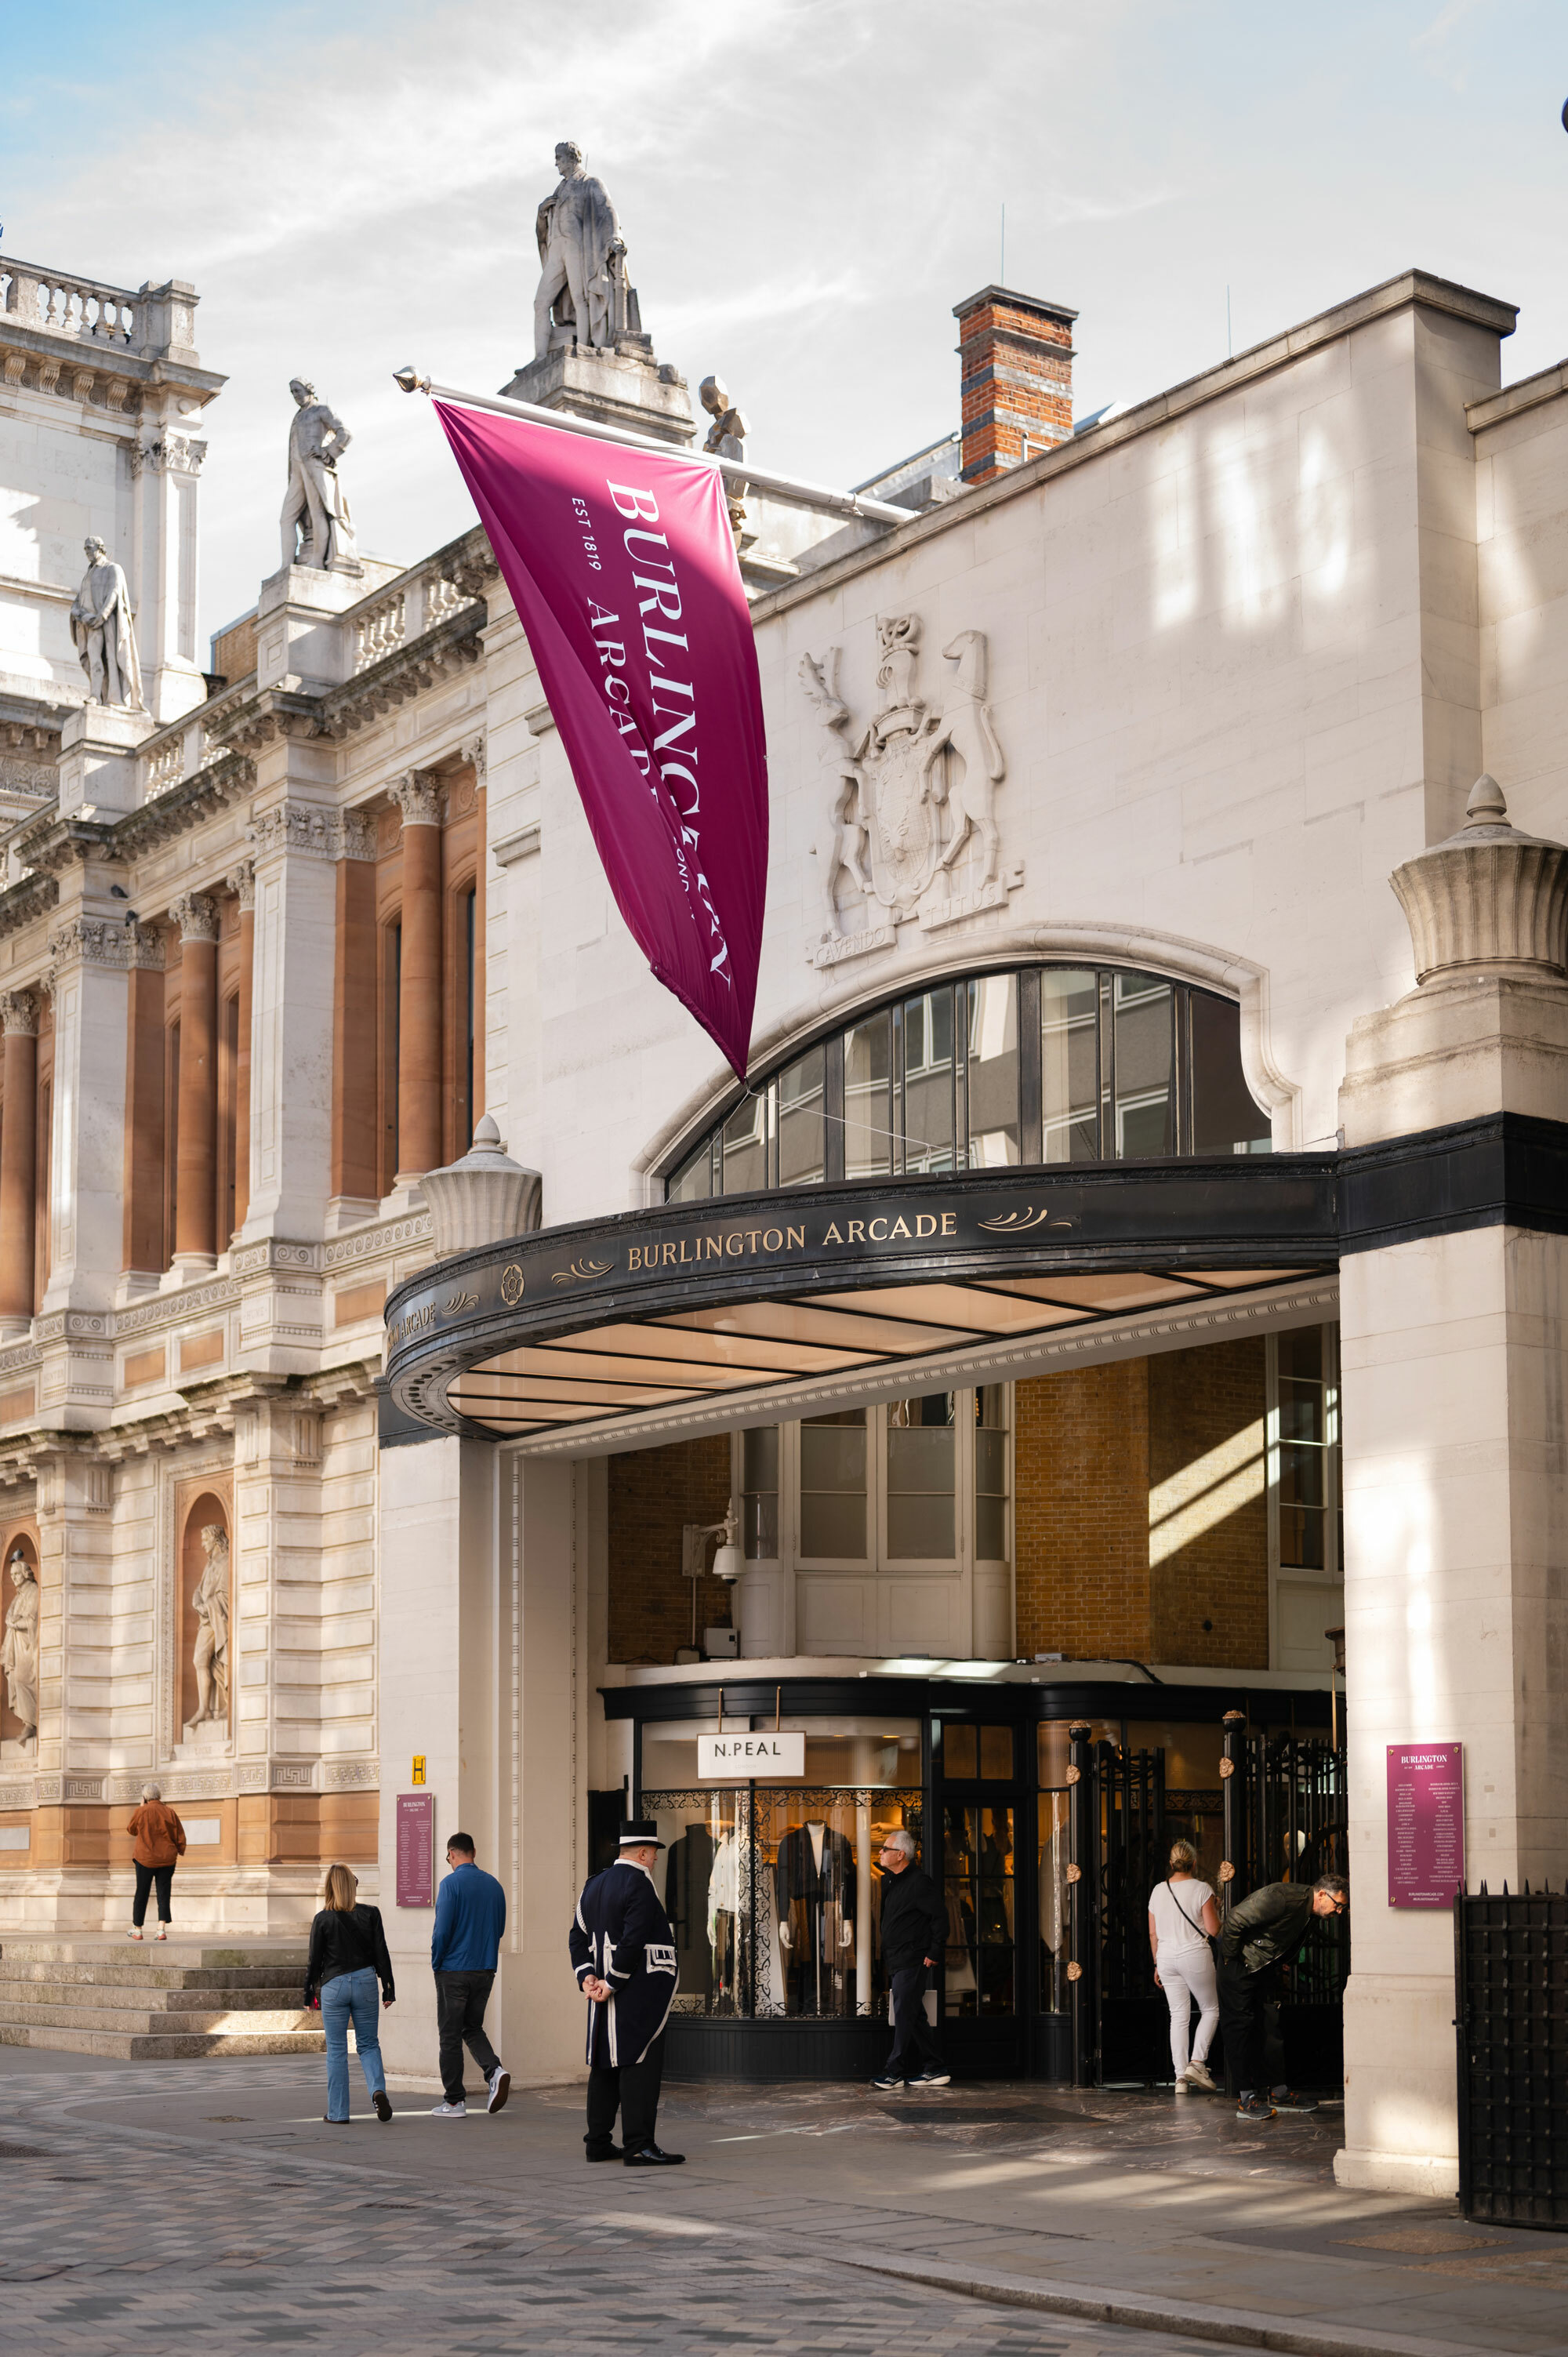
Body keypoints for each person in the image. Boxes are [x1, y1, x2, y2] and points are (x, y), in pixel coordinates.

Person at [569, 1818, 682, 2166]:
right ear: (644, 1853)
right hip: (637, 1991)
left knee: (604, 2066)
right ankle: (638, 2145)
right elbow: (633, 1941)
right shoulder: (640, 1883)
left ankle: (597, 2143)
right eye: (654, 1852)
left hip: (602, 1990)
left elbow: (577, 1937)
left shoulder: (593, 1884)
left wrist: (588, 1976)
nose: (657, 1859)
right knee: (639, 2064)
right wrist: (612, 1982)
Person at [1218, 1870, 1348, 2119]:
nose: (1339, 1912)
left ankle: (1278, 2092)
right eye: (1338, 1905)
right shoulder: (1283, 1898)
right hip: (1239, 1965)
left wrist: (1281, 1960)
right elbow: (1234, 1919)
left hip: (1262, 1968)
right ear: (1322, 1894)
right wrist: (1230, 1960)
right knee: (1240, 2028)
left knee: (1270, 2027)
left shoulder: (1311, 1912)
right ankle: (1246, 2098)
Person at [304, 1863, 395, 2125]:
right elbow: (381, 1952)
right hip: (366, 1981)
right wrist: (389, 1988)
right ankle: (377, 2091)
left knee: (336, 2050)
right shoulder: (371, 1913)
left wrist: (309, 1994)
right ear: (353, 1886)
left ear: (330, 1887)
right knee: (368, 2044)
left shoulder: (322, 1919)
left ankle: (338, 2113)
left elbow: (314, 1960)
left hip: (334, 1985)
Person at [429, 1832, 510, 2119]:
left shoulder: (450, 1884)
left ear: (451, 1854)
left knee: (450, 2035)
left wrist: (436, 1962)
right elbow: (500, 1929)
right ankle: (494, 2070)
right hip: (485, 1969)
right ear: (473, 1852)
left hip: (453, 1970)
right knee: (472, 2028)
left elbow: (442, 1931)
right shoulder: (494, 1885)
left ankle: (454, 2102)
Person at [870, 1828, 950, 2091]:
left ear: (901, 1855)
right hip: (896, 1958)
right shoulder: (889, 1881)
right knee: (913, 2014)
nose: (881, 1852)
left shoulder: (919, 1882)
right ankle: (935, 2067)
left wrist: (935, 1951)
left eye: (886, 1849)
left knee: (904, 2013)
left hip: (913, 1958)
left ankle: (893, 2072)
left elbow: (940, 1918)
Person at [1148, 1838, 1221, 2090]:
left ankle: (1180, 2079)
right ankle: (1197, 2063)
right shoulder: (1202, 1889)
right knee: (1211, 2009)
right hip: (1194, 1954)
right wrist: (1217, 1908)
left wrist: (1157, 1964)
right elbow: (1213, 1929)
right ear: (1194, 1863)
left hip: (1166, 1957)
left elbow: (1153, 1933)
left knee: (1178, 2016)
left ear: (1171, 1863)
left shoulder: (1158, 1891)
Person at [125, 1782, 185, 1941]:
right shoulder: (169, 1812)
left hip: (145, 1858)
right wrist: (180, 1850)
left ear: (145, 1797)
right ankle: (161, 1929)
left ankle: (138, 1929)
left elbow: (132, 1830)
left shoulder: (141, 1811)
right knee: (164, 1893)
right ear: (159, 1796)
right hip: (167, 1859)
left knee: (142, 1892)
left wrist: (141, 1808)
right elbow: (179, 1834)